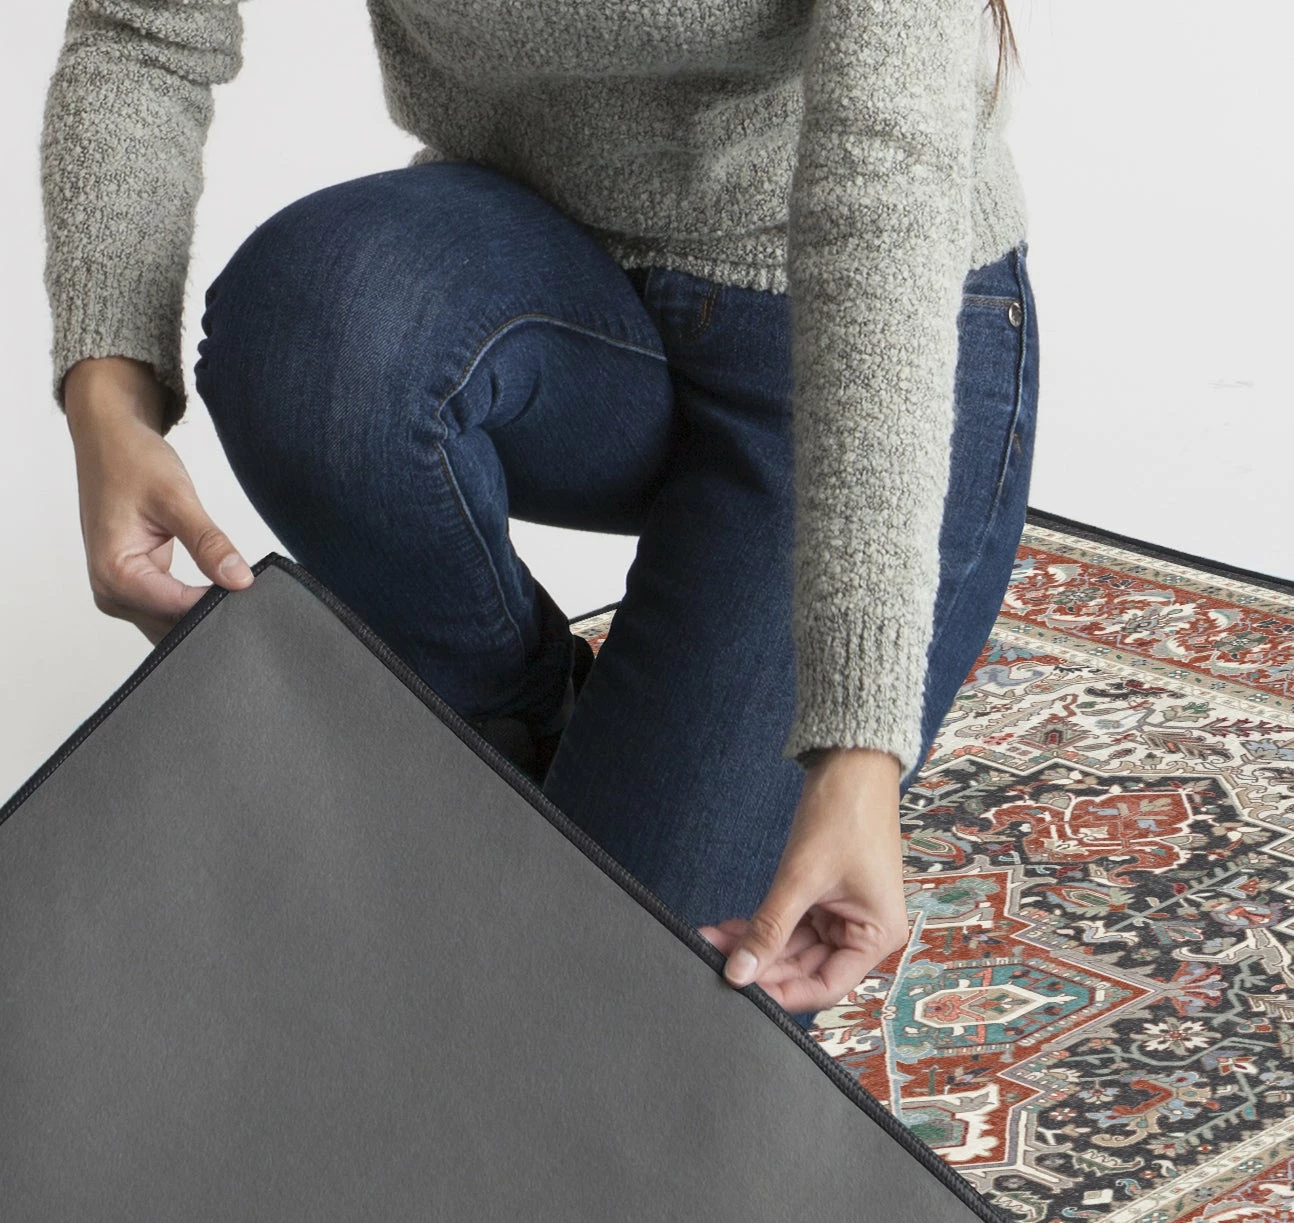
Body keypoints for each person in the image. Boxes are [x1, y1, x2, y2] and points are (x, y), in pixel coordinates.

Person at [40, 0, 1038, 1036]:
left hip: (864, 329)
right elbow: (143, 32)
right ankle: (523, 724)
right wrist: (107, 407)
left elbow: (883, 182)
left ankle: (629, 772)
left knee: (608, 1011)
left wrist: (857, 744)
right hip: (546, 282)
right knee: (316, 325)